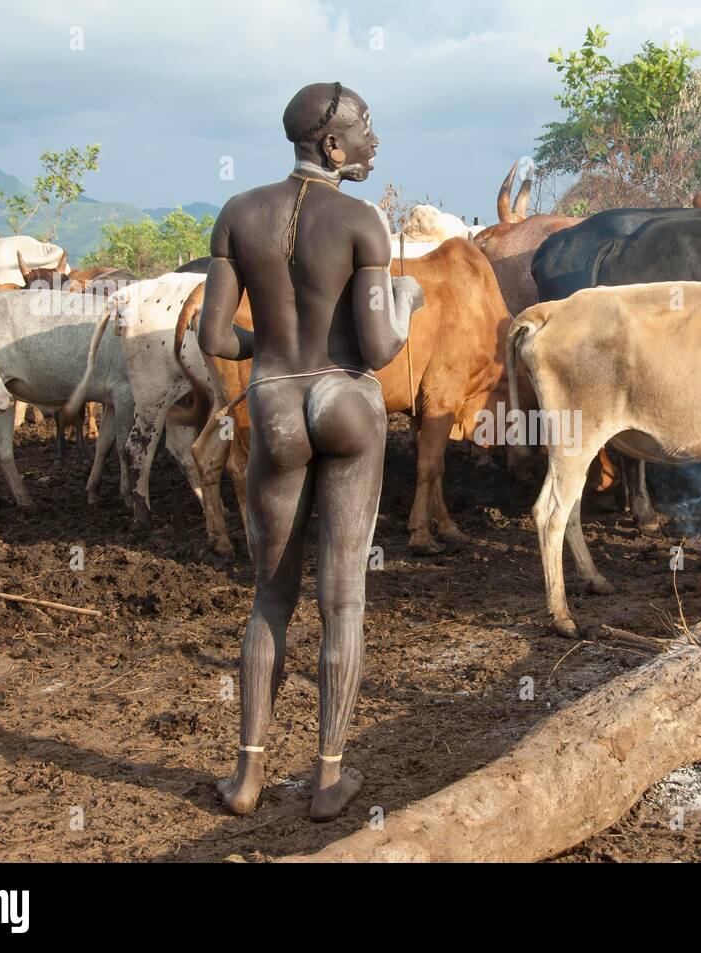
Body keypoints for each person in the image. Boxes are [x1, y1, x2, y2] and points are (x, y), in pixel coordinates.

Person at [198, 82, 424, 820]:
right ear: (332, 146)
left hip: (275, 407)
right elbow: (382, 349)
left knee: (270, 595)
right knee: (343, 599)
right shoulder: (362, 221)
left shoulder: (237, 215)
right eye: (365, 128)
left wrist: (277, 356)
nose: (373, 140)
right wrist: (409, 300)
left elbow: (211, 340)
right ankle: (327, 779)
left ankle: (247, 779)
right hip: (347, 405)